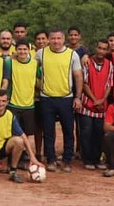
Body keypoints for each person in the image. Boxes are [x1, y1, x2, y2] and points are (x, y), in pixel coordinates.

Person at [36, 29, 83, 172]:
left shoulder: (71, 54)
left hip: (66, 98)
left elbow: (78, 77)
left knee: (68, 131)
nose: (56, 41)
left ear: (63, 40)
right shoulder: (41, 53)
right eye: (53, 38)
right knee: (48, 132)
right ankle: (51, 159)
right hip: (46, 98)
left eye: (58, 38)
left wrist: (78, 97)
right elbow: (29, 66)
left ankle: (67, 160)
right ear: (48, 39)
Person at [77, 38, 113, 170]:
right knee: (86, 133)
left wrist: (102, 100)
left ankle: (97, 158)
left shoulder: (109, 65)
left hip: (101, 106)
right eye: (99, 48)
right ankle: (87, 159)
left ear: (107, 50)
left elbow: (109, 84)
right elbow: (85, 83)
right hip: (87, 105)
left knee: (99, 133)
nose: (101, 51)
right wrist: (94, 99)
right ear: (95, 48)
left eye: (104, 49)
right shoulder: (87, 62)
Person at [2, 40, 40, 159]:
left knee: (26, 133)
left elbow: (39, 81)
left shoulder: (35, 64)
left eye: (25, 49)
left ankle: (23, 155)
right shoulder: (10, 63)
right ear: (16, 50)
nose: (22, 52)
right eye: (20, 49)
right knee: (12, 133)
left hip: (29, 104)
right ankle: (9, 157)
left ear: (29, 50)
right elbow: (6, 78)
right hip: (13, 104)